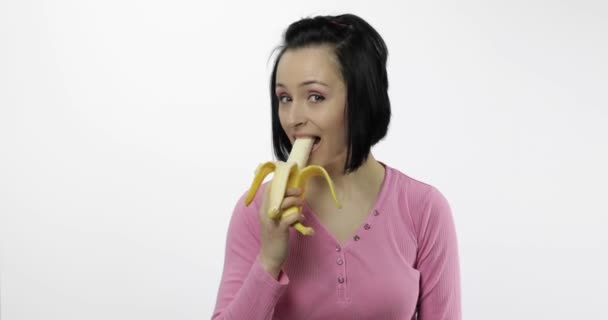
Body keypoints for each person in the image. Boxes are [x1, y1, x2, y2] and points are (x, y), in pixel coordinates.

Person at [211, 13, 461, 320]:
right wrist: (269, 260)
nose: (293, 118)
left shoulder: (423, 208)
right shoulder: (256, 211)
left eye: (315, 96)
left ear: (362, 100)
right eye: (285, 98)